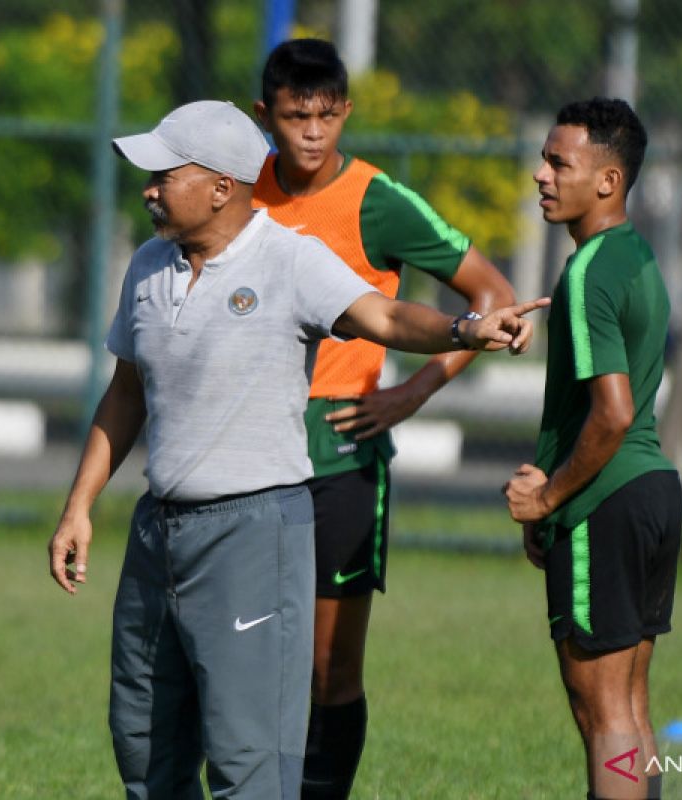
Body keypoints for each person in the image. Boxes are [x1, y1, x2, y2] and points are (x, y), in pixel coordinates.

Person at [47, 99, 546, 800]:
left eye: (164, 174)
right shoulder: (148, 266)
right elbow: (124, 396)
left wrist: (464, 329)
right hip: (156, 534)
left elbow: (387, 314)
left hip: (252, 534)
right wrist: (79, 507)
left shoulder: (289, 258)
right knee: (145, 748)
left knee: (249, 761)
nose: (148, 189)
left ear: (222, 186)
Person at [251, 39, 516, 799]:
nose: (311, 133)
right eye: (295, 116)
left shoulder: (377, 200)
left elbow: (490, 295)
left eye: (326, 117)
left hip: (340, 454)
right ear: (264, 115)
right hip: (248, 451)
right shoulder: (236, 190)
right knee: (241, 655)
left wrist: (414, 391)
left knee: (329, 669)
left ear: (346, 114)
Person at [503, 98, 682, 800]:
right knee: (631, 708)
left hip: (603, 504)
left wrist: (548, 497)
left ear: (608, 181)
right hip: (652, 492)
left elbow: (612, 413)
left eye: (558, 163)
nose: (541, 175)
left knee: (601, 711)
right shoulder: (634, 254)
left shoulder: (586, 273)